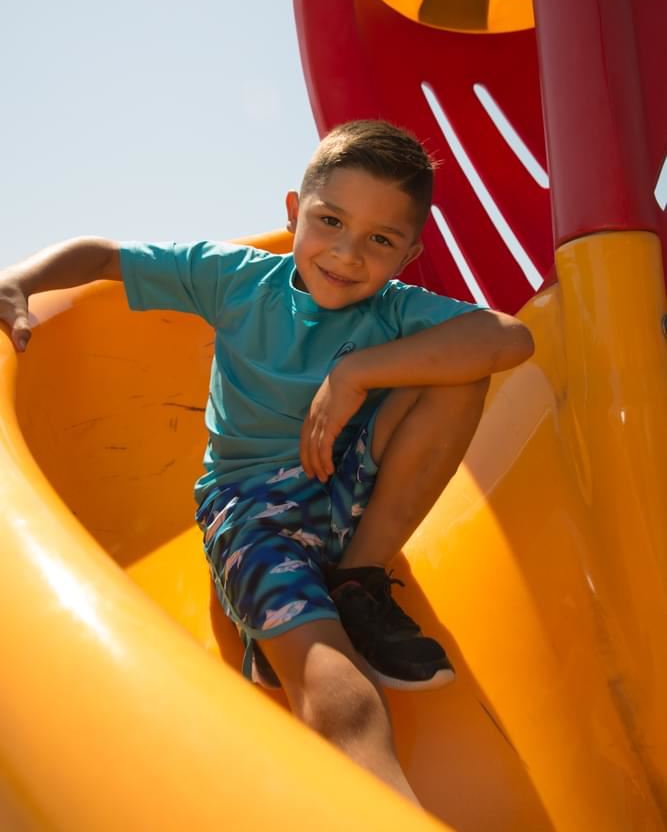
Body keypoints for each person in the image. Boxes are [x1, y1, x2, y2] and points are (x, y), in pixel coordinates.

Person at [0, 120, 533, 804]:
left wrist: (357, 373)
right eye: (329, 221)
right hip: (251, 512)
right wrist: (20, 277)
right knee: (346, 698)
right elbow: (102, 255)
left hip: (346, 489)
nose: (345, 254)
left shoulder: (397, 311)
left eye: (379, 240)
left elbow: (509, 337)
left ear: (409, 254)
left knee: (460, 369)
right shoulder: (239, 279)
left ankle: (358, 578)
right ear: (293, 213)